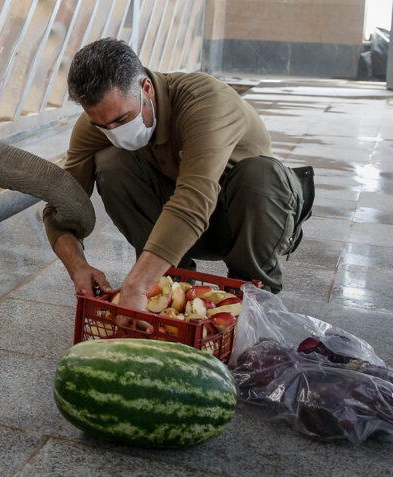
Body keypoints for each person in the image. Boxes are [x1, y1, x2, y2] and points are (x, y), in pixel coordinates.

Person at [45, 38, 313, 317]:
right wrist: (78, 268)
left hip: (245, 223)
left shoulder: (206, 102)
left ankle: (251, 295)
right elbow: (63, 201)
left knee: (260, 175)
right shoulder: (99, 121)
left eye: (122, 120)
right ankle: (169, 285)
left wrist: (136, 285)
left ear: (146, 88)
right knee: (112, 161)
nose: (113, 131)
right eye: (103, 126)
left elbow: (194, 199)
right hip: (175, 232)